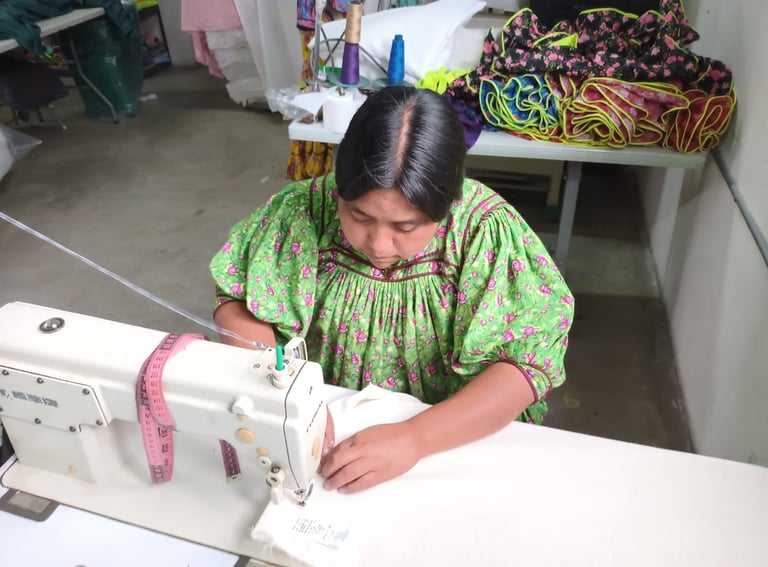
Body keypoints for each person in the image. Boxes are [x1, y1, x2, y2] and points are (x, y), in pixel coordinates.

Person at [210, 86, 574, 494]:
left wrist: (417, 437)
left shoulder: (483, 233)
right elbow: (239, 301)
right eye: (359, 215)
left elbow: (524, 367)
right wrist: (289, 391)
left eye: (406, 227)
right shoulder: (306, 211)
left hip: (449, 435)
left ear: (447, 203)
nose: (379, 245)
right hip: (328, 423)